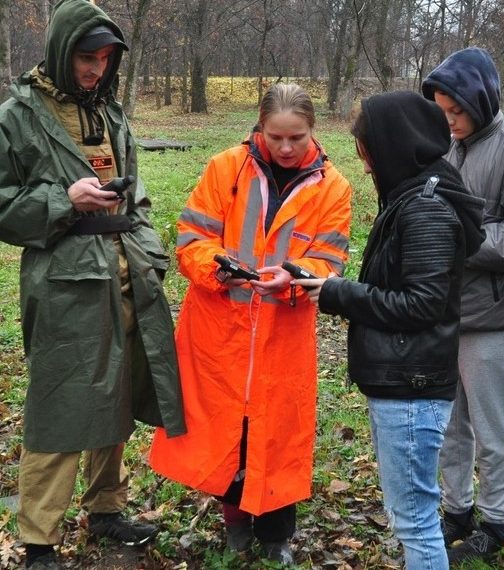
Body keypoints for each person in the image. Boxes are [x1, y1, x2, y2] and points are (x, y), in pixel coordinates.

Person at [0, 1, 187, 568]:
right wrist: (65, 200)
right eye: (87, 57)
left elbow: (140, 196)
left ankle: (106, 509)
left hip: (129, 273)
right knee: (59, 405)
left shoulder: (109, 112)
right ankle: (38, 540)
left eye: (106, 59)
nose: (96, 69)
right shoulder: (18, 116)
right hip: (64, 284)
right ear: (60, 51)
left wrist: (149, 254)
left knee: (121, 394)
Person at [149, 83, 352, 565]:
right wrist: (216, 266)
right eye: (275, 136)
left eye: (296, 138)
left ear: (313, 133)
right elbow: (191, 238)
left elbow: (329, 261)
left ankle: (277, 532)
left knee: (279, 431)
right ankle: (235, 519)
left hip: (283, 334)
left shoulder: (334, 188)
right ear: (259, 128)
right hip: (220, 330)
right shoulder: (225, 168)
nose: (284, 148)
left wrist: (293, 278)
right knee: (228, 429)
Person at [295, 90, 484, 570]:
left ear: (393, 148)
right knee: (411, 516)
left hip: (412, 388)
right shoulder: (413, 196)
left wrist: (338, 293)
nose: (365, 166)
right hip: (403, 381)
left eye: (368, 153)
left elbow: (422, 304)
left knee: (416, 521)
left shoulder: (425, 209)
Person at [421, 48, 504, 564]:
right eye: (442, 113)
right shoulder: (449, 148)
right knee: (449, 424)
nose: (449, 123)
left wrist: (463, 239)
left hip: (490, 317)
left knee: (492, 426)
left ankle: (495, 521)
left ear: (479, 100)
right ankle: (457, 509)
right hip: (446, 310)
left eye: (456, 112)